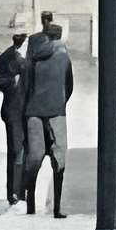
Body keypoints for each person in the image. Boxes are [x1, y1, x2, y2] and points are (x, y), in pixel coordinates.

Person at [21, 15, 74, 218]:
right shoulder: (64, 56)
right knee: (59, 159)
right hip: (56, 112)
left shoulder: (34, 58)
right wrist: (59, 101)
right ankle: (57, 209)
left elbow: (26, 85)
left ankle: (30, 205)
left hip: (33, 111)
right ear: (60, 36)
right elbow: (69, 86)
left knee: (34, 158)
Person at [0, 13, 33, 206]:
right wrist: (10, 81)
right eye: (16, 36)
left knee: (31, 150)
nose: (18, 39)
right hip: (13, 112)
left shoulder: (33, 56)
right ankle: (14, 193)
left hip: (31, 109)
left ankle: (25, 190)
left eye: (21, 36)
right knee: (16, 150)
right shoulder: (6, 56)